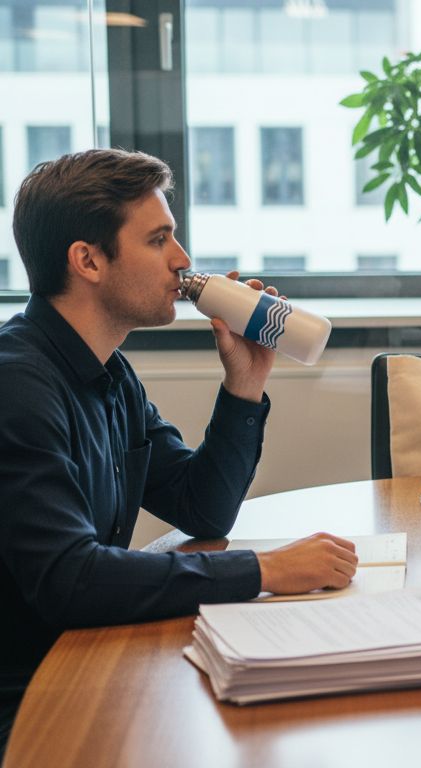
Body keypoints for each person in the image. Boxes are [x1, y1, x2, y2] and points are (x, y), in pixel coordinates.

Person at [0, 149, 358, 753]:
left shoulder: (110, 373)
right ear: (88, 260)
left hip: (87, 658)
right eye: (158, 239)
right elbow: (71, 578)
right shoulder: (17, 385)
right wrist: (264, 570)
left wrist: (244, 385)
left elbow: (202, 508)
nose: (182, 260)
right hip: (31, 702)